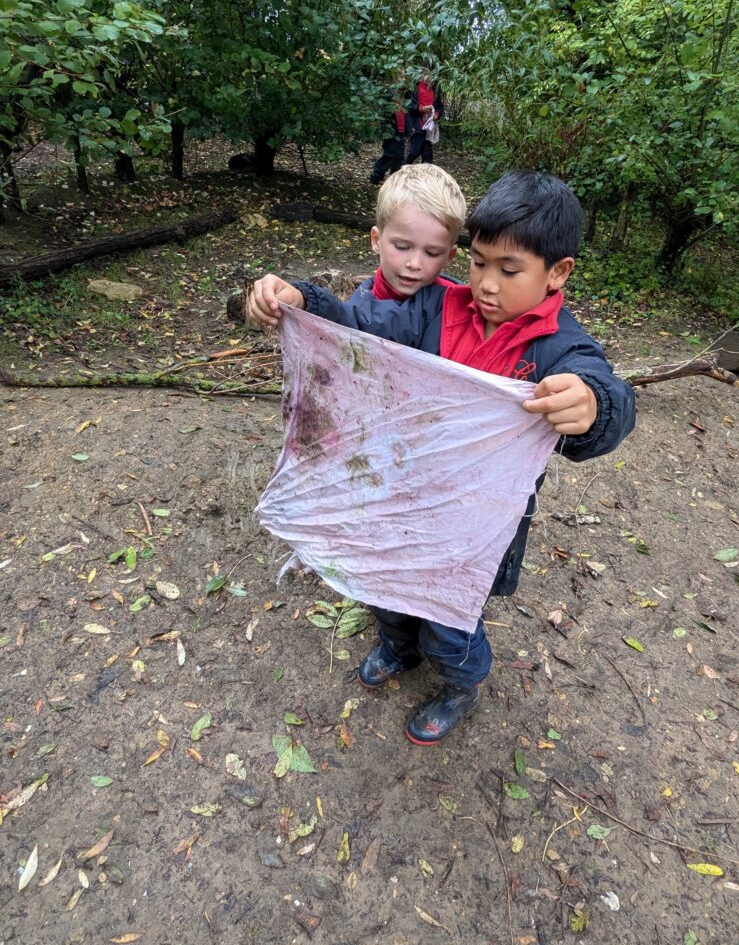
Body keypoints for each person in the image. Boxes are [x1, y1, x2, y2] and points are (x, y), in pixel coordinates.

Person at [247, 169, 636, 746]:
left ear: (558, 272)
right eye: (478, 263)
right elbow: (361, 327)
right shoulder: (435, 308)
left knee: (449, 621)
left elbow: (607, 396)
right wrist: (303, 299)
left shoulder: (559, 349)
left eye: (509, 270)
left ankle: (460, 683)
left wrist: (595, 404)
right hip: (402, 494)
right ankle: (396, 647)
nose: (486, 284)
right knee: (386, 585)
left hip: (476, 525)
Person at [354, 164, 466, 304]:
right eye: (402, 247)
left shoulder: (459, 309)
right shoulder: (354, 314)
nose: (415, 264)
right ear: (377, 240)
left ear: (449, 256)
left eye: (432, 253)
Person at [369, 80, 408, 186]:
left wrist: (409, 129)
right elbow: (384, 114)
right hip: (391, 130)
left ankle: (394, 178)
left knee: (399, 156)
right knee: (390, 154)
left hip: (401, 129)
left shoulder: (403, 98)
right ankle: (376, 176)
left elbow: (405, 114)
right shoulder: (388, 96)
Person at [406, 67, 444, 166]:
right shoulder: (414, 88)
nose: (428, 78)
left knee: (428, 156)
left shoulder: (435, 90)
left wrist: (436, 114)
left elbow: (439, 106)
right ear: (420, 76)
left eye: (430, 76)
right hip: (417, 123)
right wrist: (420, 108)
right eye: (425, 75)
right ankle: (400, 171)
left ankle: (425, 176)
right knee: (414, 152)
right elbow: (408, 104)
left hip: (429, 126)